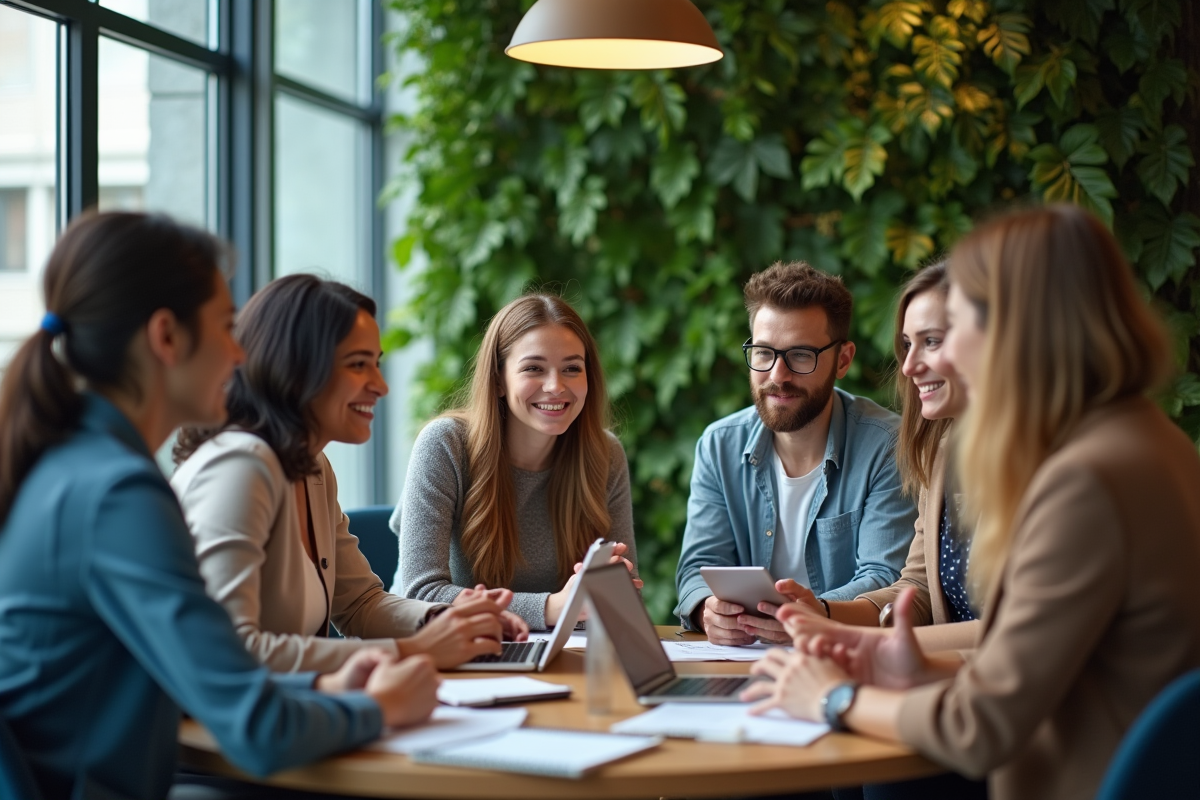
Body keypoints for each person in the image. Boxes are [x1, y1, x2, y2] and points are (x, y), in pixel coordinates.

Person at [745, 205, 1200, 800]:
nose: (930, 362)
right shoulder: (1141, 438)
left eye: (955, 330)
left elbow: (981, 725)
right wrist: (910, 665)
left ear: (1021, 328)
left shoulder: (1086, 477)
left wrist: (834, 697)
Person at [0, 212, 439, 800]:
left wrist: (326, 688)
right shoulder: (117, 495)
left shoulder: (68, 465)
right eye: (227, 326)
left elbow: (215, 681)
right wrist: (375, 707)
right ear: (165, 337)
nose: (240, 353)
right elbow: (257, 729)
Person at [172, 275, 520, 675]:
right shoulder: (240, 468)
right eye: (358, 365)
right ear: (296, 367)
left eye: (377, 363)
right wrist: (414, 651)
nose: (381, 386)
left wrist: (445, 621)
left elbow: (359, 604)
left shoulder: (312, 466)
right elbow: (228, 652)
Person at [674, 261, 917, 645]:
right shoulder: (719, 445)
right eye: (763, 352)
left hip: (847, 653)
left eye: (801, 355)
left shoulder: (888, 445)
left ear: (843, 360)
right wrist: (708, 609)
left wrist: (814, 612)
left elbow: (887, 577)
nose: (777, 375)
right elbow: (698, 568)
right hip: (743, 662)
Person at [393, 293, 639, 631]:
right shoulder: (445, 444)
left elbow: (619, 606)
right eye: (534, 368)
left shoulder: (604, 455)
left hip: (549, 655)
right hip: (434, 651)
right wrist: (553, 607)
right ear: (498, 380)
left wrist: (611, 592)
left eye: (572, 368)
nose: (556, 386)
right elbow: (421, 596)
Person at [784, 262, 981, 655]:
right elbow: (918, 587)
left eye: (932, 341)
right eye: (908, 344)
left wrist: (867, 642)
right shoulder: (942, 452)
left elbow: (1017, 632)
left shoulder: (1052, 464)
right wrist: (823, 612)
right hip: (948, 683)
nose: (908, 367)